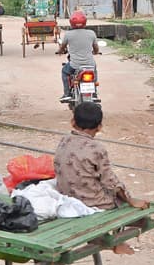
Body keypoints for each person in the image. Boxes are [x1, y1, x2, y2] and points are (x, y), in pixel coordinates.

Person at [54, 102, 149, 253]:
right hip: (90, 201)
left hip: (64, 194)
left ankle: (110, 240)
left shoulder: (64, 140)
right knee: (118, 198)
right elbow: (109, 180)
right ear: (99, 127)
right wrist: (130, 199)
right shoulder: (97, 149)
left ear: (73, 122)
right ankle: (116, 241)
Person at [56, 10, 99, 102]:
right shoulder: (91, 33)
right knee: (94, 72)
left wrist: (59, 51)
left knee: (64, 71)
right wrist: (95, 52)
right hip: (89, 64)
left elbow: (63, 47)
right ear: (85, 22)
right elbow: (96, 48)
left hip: (75, 65)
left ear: (71, 22)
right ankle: (94, 93)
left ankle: (67, 94)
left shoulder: (68, 34)